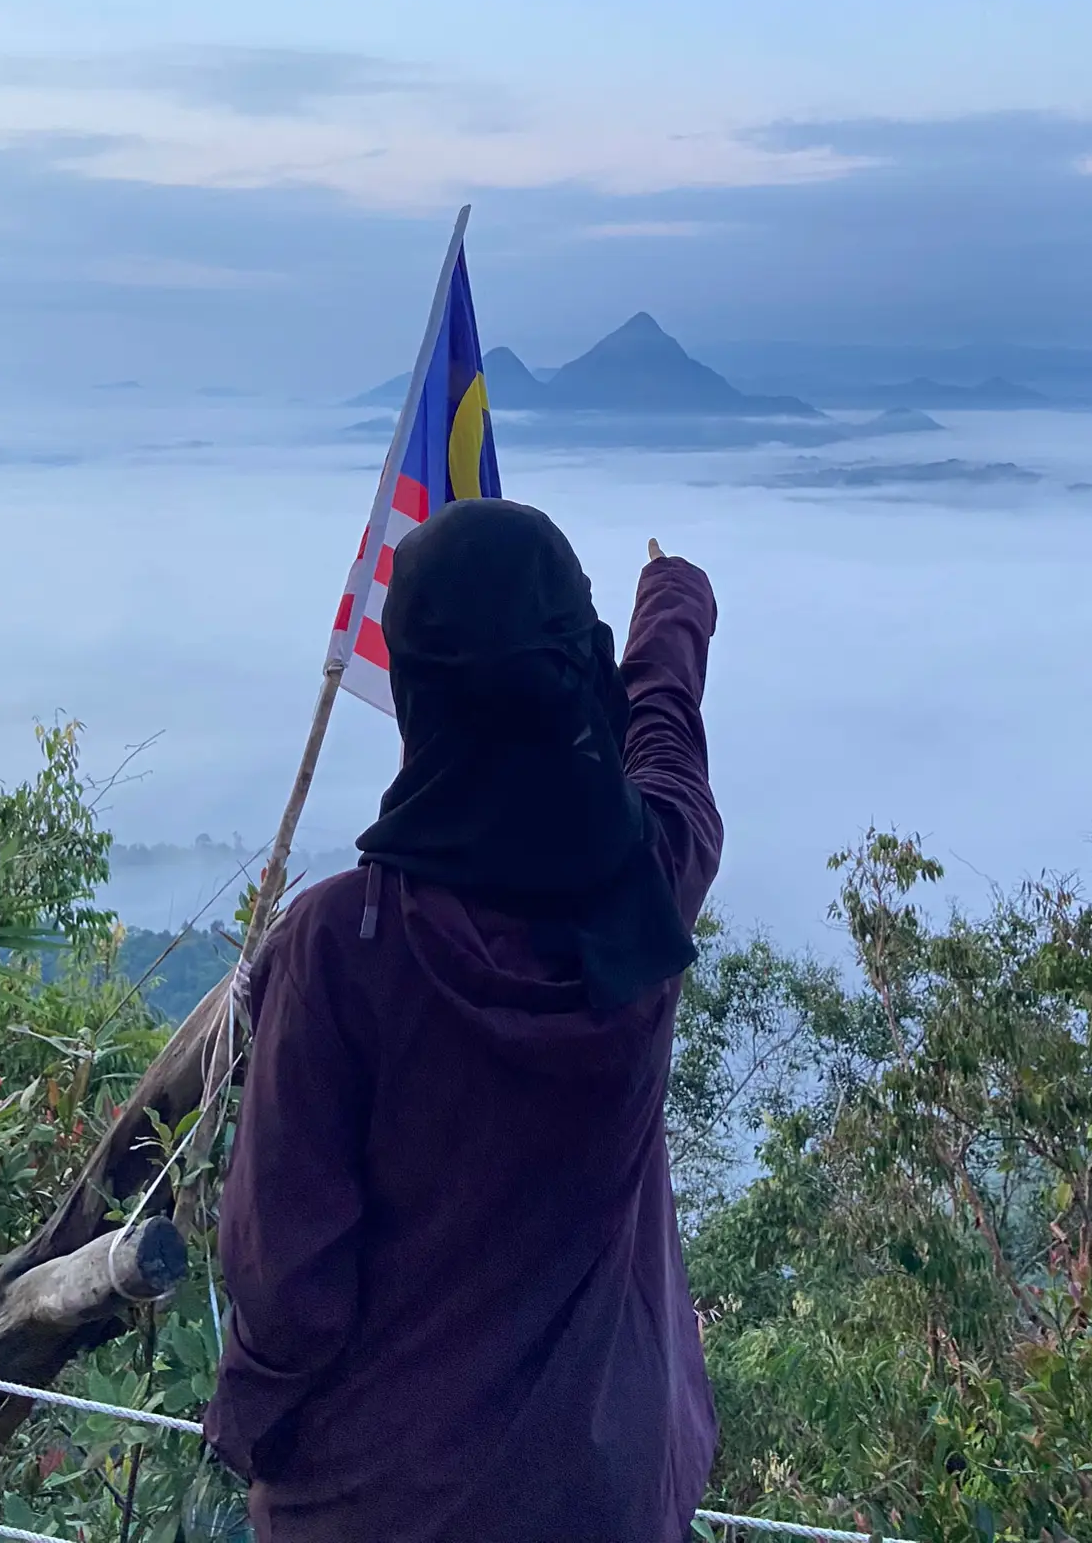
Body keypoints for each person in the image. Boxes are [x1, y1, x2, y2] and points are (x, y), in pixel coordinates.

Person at [205, 498, 722, 1543]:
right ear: (579, 669)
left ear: (415, 692)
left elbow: (287, 1289)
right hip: (604, 1500)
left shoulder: (339, 947)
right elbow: (665, 738)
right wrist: (673, 604)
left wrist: (245, 1426)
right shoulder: (645, 894)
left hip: (373, 1505)